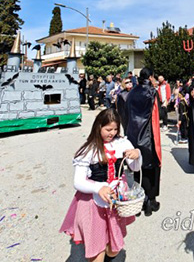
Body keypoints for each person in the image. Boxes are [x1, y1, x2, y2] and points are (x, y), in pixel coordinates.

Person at [59, 109, 141, 262]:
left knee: (113, 249)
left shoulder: (123, 143)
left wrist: (137, 155)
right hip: (93, 203)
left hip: (116, 200)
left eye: (115, 129)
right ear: (99, 127)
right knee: (97, 253)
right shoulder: (89, 149)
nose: (112, 133)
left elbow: (135, 168)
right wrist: (98, 188)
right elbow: (78, 181)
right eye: (108, 129)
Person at [125, 68, 162, 217]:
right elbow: (157, 115)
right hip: (148, 136)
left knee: (137, 168)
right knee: (150, 169)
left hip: (133, 134)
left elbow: (125, 112)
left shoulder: (131, 92)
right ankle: (150, 201)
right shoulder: (152, 92)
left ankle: (138, 200)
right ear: (151, 77)